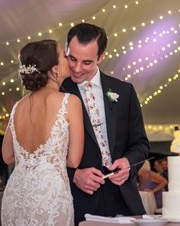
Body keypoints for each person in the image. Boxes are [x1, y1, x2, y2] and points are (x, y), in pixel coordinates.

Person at [62, 23, 150, 224]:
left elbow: (141, 145)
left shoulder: (125, 91)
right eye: (72, 58)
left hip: (124, 199)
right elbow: (43, 153)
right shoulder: (57, 93)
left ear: (100, 57)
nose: (76, 68)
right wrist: (73, 174)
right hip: (78, 201)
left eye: (86, 63)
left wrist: (128, 163)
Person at [1, 39, 84, 225]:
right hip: (49, 195)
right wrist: (47, 162)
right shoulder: (70, 102)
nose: (68, 59)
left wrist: (29, 160)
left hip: (16, 193)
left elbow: (7, 156)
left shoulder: (18, 107)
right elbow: (74, 160)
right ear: (54, 69)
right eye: (64, 55)